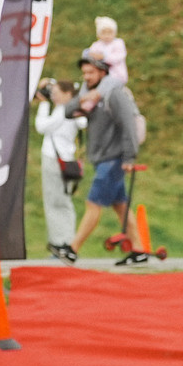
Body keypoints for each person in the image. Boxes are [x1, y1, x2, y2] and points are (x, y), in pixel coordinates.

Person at [69, 51, 144, 257]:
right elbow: (68, 111)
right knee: (120, 205)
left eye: (91, 72)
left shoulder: (115, 94)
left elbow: (129, 124)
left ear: (102, 72)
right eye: (84, 73)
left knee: (93, 203)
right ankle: (138, 250)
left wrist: (130, 156)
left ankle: (72, 249)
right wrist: (84, 98)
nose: (86, 77)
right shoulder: (89, 95)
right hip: (101, 158)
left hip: (114, 159)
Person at [32, 77, 84, 263]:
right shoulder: (67, 110)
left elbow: (42, 126)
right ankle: (61, 243)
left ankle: (63, 244)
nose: (53, 96)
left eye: (56, 93)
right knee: (58, 201)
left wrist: (44, 104)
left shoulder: (66, 110)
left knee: (58, 202)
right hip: (61, 159)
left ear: (68, 94)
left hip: (57, 159)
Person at [92, 17, 129, 84]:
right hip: (101, 76)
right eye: (103, 33)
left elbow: (118, 57)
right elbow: (91, 54)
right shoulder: (97, 45)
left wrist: (103, 57)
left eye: (109, 32)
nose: (107, 36)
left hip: (117, 75)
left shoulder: (118, 43)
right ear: (98, 35)